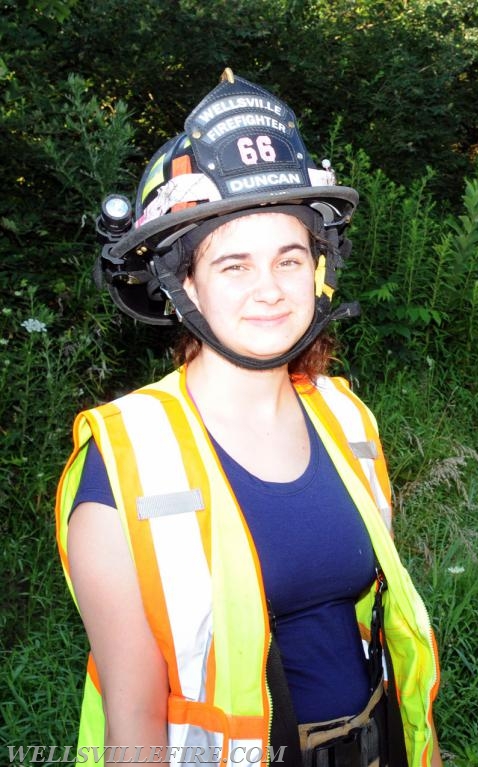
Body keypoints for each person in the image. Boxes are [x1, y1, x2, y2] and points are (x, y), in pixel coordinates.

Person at [55, 69, 441, 767]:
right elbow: (135, 722)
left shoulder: (345, 417)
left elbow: (380, 643)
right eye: (233, 265)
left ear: (318, 269)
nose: (269, 289)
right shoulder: (122, 462)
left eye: (289, 258)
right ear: (183, 284)